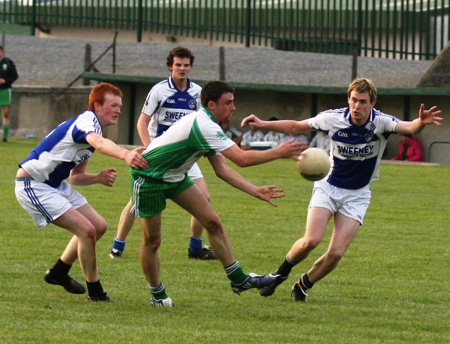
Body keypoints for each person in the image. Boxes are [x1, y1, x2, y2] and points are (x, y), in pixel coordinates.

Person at [241, 78, 442, 302]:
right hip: (328, 186)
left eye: (363, 102)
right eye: (353, 100)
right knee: (311, 240)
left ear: (372, 103)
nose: (357, 106)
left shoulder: (381, 123)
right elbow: (297, 126)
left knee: (336, 253)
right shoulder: (333, 118)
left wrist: (421, 123)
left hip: (357, 194)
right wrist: (263, 123)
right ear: (348, 99)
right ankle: (279, 274)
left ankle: (303, 284)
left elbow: (409, 126)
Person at [131, 80, 305, 307]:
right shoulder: (204, 125)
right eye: (229, 102)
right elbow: (241, 159)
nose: (233, 107)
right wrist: (278, 152)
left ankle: (238, 280)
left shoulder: (209, 124)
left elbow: (222, 170)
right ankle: (157, 294)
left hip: (175, 176)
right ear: (211, 105)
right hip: (150, 177)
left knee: (212, 222)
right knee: (152, 241)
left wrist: (255, 190)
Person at [15, 83, 149, 302]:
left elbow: (75, 176)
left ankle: (59, 272)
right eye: (113, 105)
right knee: (86, 230)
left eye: (120, 106)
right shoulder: (87, 121)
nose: (118, 110)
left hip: (54, 185)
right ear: (97, 105)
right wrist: (125, 155)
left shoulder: (92, 129)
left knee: (98, 226)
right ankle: (96, 292)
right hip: (33, 184)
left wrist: (97, 177)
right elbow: (99, 141)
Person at [110, 46, 216, 260]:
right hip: (161, 155)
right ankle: (117, 246)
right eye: (178, 65)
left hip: (185, 154)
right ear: (170, 66)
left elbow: (201, 122)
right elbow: (143, 121)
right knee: (136, 201)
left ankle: (195, 247)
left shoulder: (197, 92)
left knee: (204, 196)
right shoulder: (159, 90)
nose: (182, 69)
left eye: (186, 65)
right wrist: (150, 148)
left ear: (191, 67)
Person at [0, 45, 19, 142]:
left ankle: (5, 137)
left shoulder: (8, 62)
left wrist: (5, 81)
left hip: (5, 90)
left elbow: (15, 76)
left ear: (2, 52)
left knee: (5, 113)